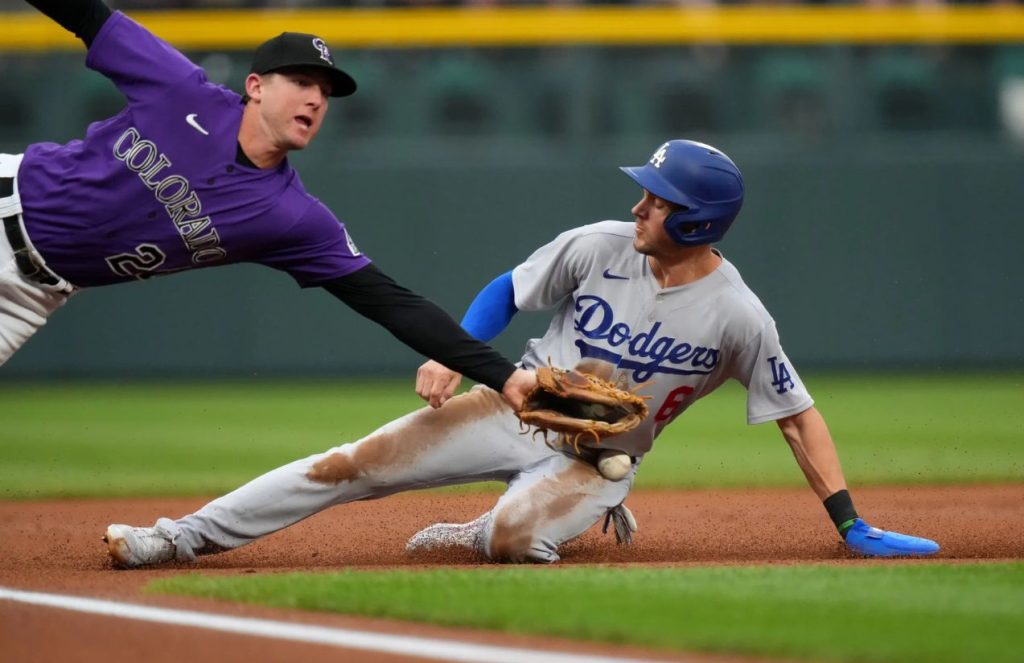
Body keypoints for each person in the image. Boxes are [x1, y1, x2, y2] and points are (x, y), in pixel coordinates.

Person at [103, 139, 939, 568]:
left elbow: (798, 417)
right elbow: (508, 287)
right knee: (349, 464)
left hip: (600, 458)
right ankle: (179, 537)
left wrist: (850, 521)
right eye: (647, 190)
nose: (641, 202)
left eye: (661, 197)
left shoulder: (737, 316)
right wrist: (464, 359)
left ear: (699, 222)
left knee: (510, 540)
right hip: (515, 405)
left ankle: (515, 520)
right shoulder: (601, 242)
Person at [1, 0, 537, 408]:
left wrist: (506, 377)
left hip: (29, 298)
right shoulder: (180, 90)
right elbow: (87, 16)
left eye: (324, 93)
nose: (315, 99)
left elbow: (394, 304)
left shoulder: (292, 218)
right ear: (255, 86)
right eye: (302, 81)